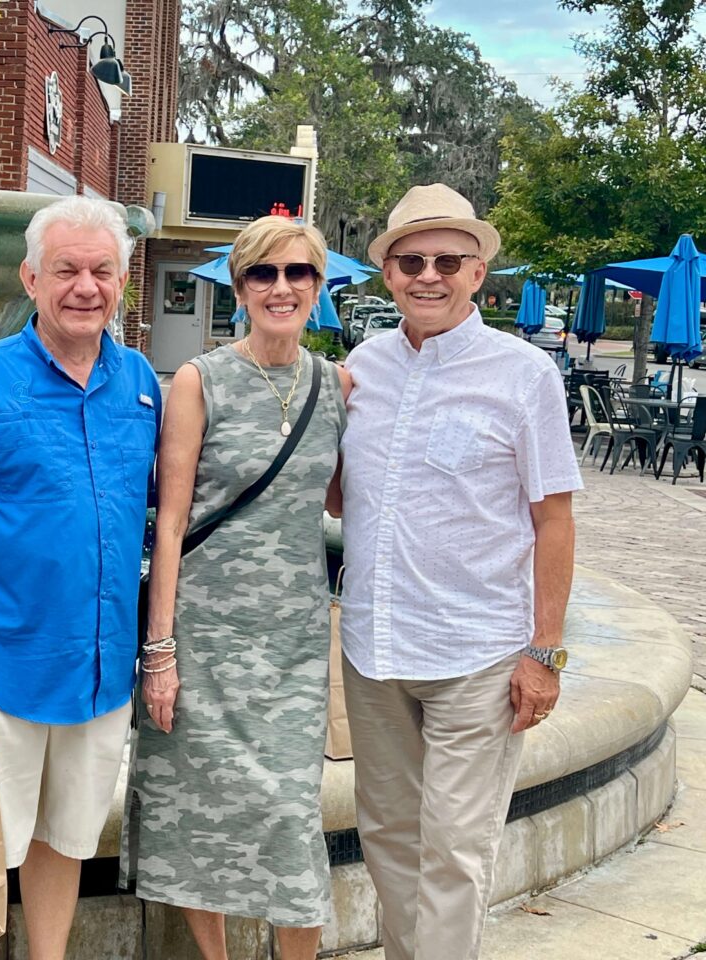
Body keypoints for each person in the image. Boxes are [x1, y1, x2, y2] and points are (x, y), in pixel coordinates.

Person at [0, 195, 159, 960]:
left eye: (102, 271)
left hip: (99, 673)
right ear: (31, 279)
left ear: (121, 281)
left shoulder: (141, 384)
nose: (86, 287)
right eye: (67, 270)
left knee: (65, 843)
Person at [340, 183, 582, 960]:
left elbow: (554, 520)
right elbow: (342, 497)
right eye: (411, 260)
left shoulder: (524, 375)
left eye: (449, 260)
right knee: (385, 840)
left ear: (479, 272)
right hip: (374, 650)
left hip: (476, 654)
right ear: (389, 274)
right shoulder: (362, 370)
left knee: (452, 851)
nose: (429, 274)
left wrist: (545, 652)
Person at [122, 215, 352, 960]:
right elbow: (169, 524)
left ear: (317, 287)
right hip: (204, 638)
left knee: (290, 817)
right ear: (240, 287)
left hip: (291, 641)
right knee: (197, 812)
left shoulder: (339, 385)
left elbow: (344, 502)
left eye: (297, 274)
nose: (280, 289)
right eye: (263, 274)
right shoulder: (198, 381)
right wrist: (159, 651)